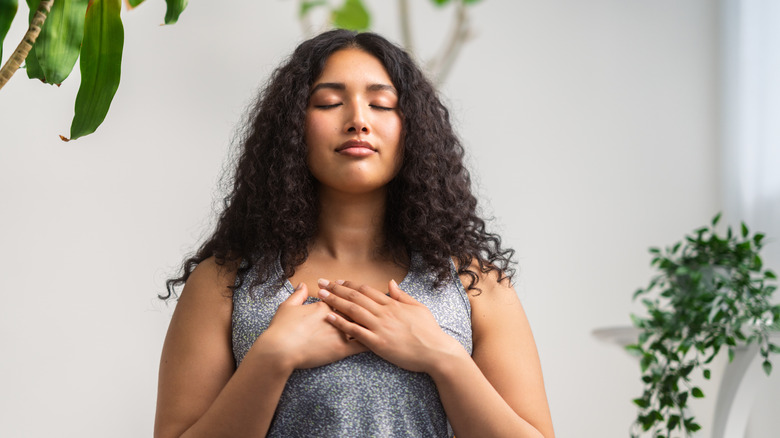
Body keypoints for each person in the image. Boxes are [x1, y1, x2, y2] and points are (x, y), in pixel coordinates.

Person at [154, 29, 554, 438]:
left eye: (381, 104)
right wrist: (272, 358)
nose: (358, 121)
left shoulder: (476, 284)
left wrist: (442, 356)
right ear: (292, 127)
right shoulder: (223, 282)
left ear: (412, 128)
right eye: (329, 102)